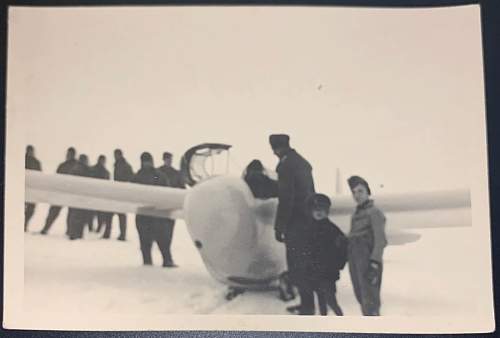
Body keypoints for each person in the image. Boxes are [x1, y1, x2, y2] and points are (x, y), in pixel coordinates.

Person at [269, 134, 316, 315]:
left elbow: (286, 199)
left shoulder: (286, 165)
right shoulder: (302, 162)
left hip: (296, 223)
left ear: (276, 148)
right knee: (304, 264)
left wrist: (279, 226)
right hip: (307, 220)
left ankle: (307, 308)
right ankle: (307, 304)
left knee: (298, 265)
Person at [347, 175, 387, 316]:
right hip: (355, 260)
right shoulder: (355, 214)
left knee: (370, 300)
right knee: (361, 297)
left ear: (367, 192)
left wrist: (374, 263)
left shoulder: (374, 212)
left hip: (368, 261)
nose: (357, 195)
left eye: (360, 191)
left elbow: (380, 240)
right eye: (354, 192)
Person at [133, 152, 177, 267]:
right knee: (148, 241)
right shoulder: (140, 176)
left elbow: (166, 192)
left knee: (161, 241)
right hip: (149, 215)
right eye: (145, 161)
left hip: (154, 215)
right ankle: (154, 262)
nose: (146, 164)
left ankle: (164, 261)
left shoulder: (154, 175)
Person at [307, 193, 346, 316]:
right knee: (321, 302)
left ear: (327, 211)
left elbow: (344, 247)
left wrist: (338, 265)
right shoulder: (310, 229)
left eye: (322, 209)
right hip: (315, 272)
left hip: (328, 274)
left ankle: (343, 322)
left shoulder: (333, 230)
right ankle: (324, 324)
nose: (318, 212)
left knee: (331, 300)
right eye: (315, 209)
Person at [40, 147, 78, 235]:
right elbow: (56, 178)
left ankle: (69, 231)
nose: (68, 155)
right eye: (67, 154)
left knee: (71, 214)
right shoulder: (63, 165)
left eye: (70, 154)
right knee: (53, 211)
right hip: (61, 192)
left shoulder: (75, 165)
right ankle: (46, 228)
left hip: (70, 193)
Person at [67, 154, 93, 240]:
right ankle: (77, 234)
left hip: (75, 196)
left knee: (73, 215)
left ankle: (72, 233)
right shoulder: (87, 170)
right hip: (83, 197)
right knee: (80, 216)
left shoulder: (75, 169)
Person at [113, 149, 134, 241]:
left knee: (121, 215)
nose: (115, 157)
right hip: (118, 192)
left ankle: (122, 234)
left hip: (122, 192)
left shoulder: (125, 166)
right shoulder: (118, 165)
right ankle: (120, 234)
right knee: (117, 214)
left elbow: (131, 178)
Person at [90, 155, 113, 239]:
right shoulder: (105, 172)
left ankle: (95, 228)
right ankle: (95, 228)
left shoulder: (93, 169)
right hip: (98, 196)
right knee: (97, 214)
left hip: (96, 196)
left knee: (96, 214)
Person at [25, 145, 42, 232]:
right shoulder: (23, 160)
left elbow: (39, 176)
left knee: (31, 209)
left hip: (32, 189)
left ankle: (25, 223)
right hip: (24, 189)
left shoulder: (36, 162)